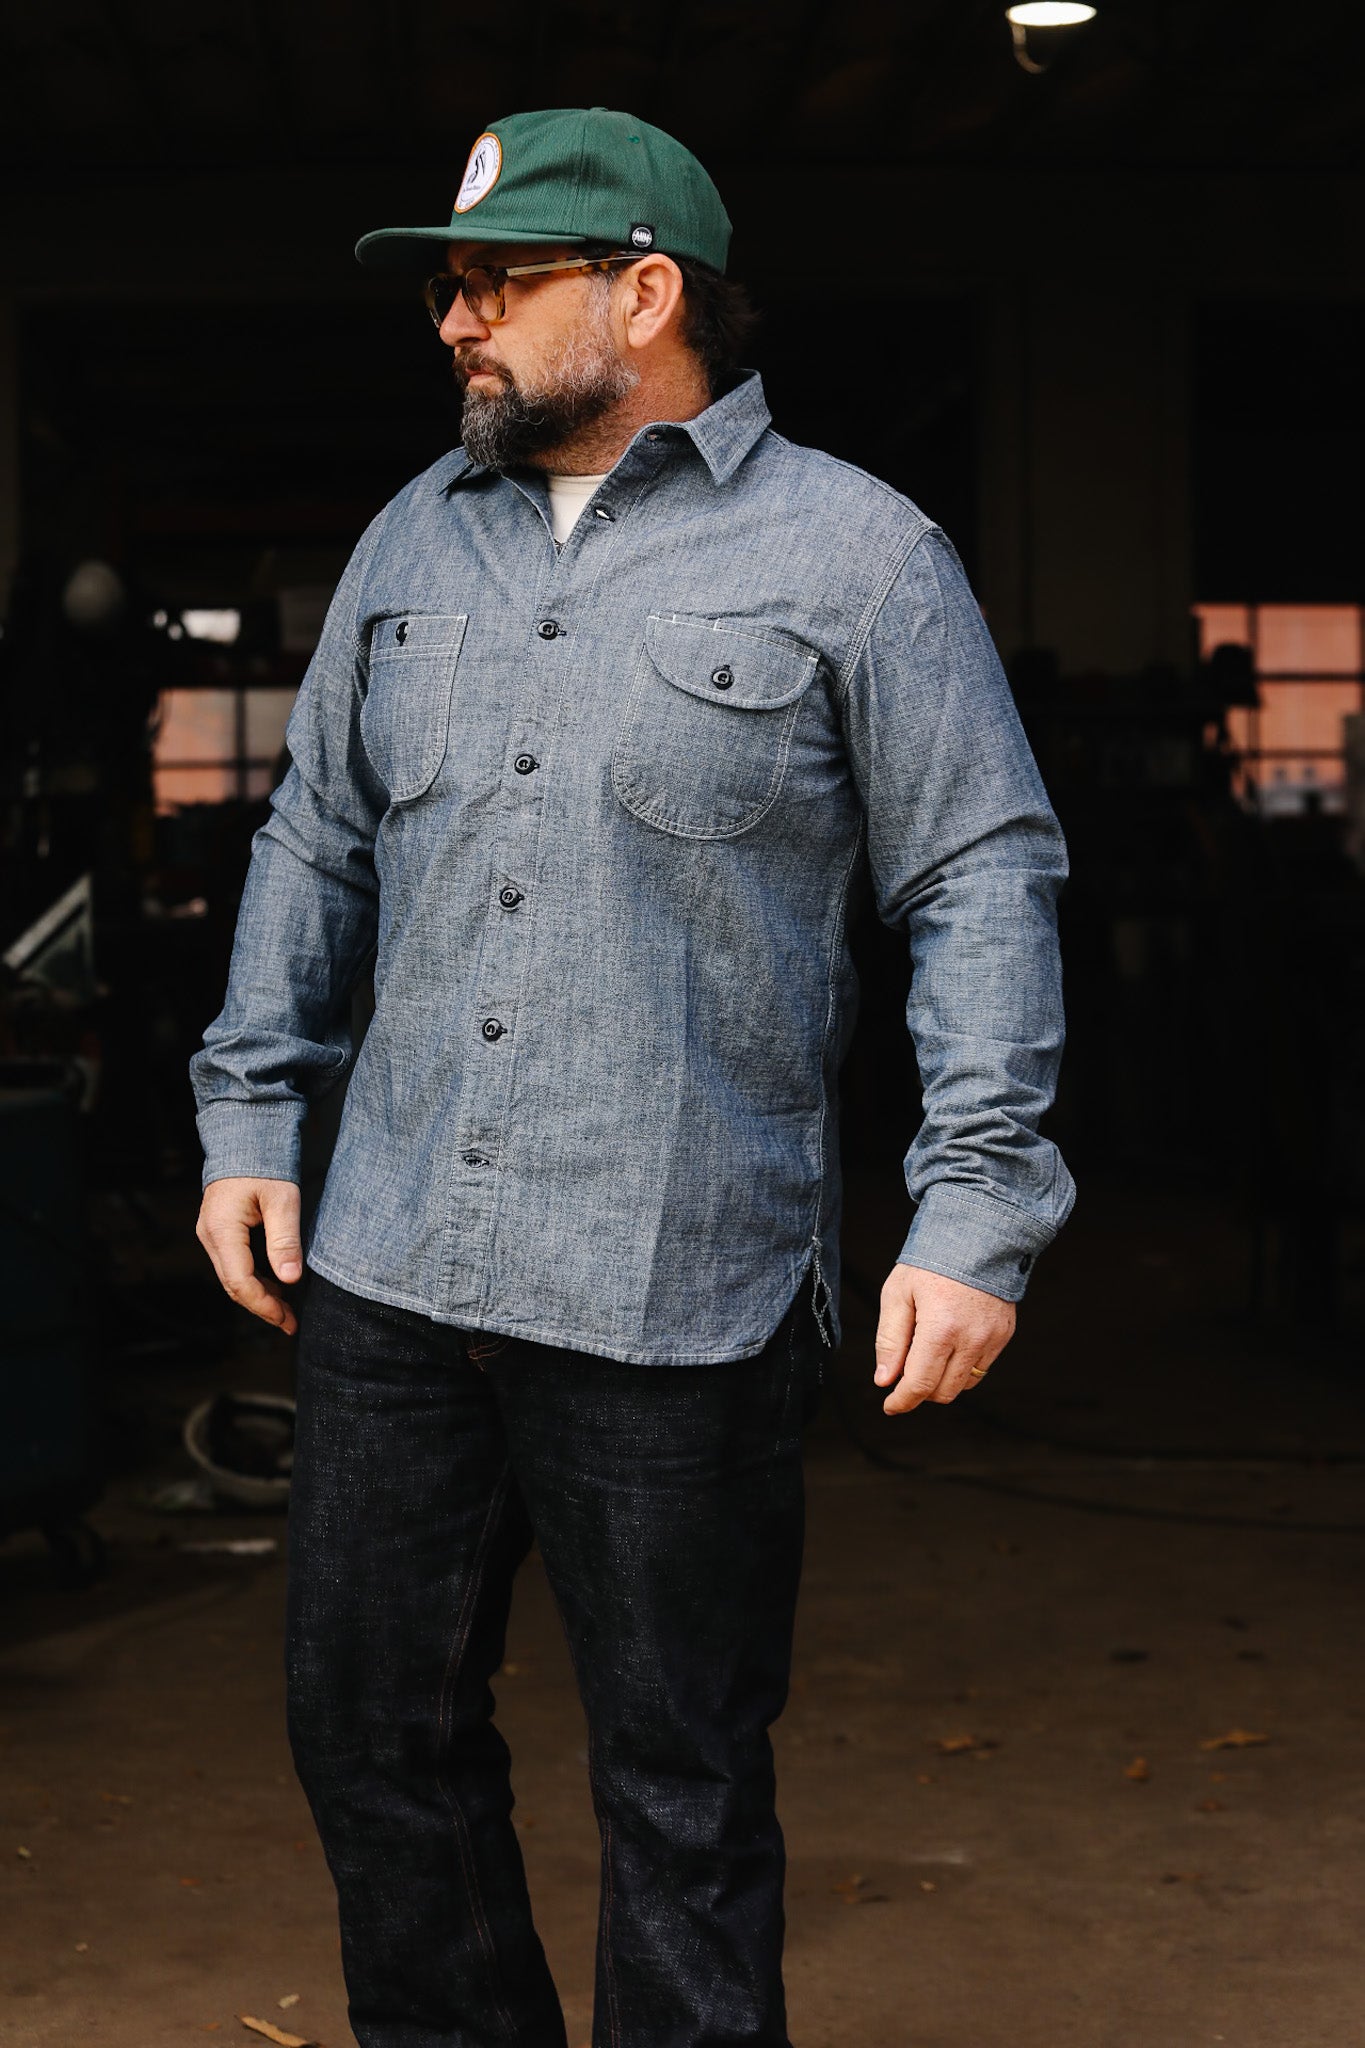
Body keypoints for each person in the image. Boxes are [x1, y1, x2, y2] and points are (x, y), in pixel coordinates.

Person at [190, 105, 1075, 2048]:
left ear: (646, 292)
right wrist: (252, 1108)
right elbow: (315, 836)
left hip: (676, 1281)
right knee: (368, 1736)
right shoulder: (413, 534)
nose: (455, 320)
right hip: (394, 1264)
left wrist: (975, 1204)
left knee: (678, 1788)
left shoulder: (856, 554)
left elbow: (977, 875)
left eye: (496, 283)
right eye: (446, 286)